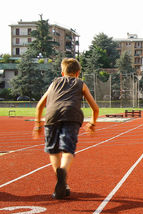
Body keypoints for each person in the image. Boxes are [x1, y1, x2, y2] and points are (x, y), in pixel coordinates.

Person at [33, 58, 99, 199]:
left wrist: (37, 124)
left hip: (51, 116)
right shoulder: (80, 83)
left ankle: (61, 181)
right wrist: (92, 124)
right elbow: (95, 108)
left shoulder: (54, 83)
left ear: (62, 72)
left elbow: (39, 105)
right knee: (68, 149)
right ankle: (63, 171)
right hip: (71, 115)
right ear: (77, 73)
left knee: (53, 151)